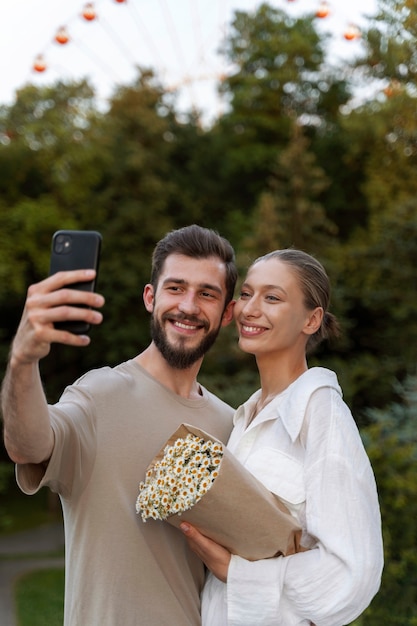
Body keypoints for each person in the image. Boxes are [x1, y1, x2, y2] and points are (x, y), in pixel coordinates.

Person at [1, 224, 238, 626]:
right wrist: (23, 361)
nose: (189, 306)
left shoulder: (233, 425)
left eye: (207, 294)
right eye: (175, 288)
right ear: (151, 297)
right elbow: (28, 446)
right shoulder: (99, 395)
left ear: (227, 312)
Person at [181, 249, 384, 626]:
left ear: (312, 319)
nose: (250, 309)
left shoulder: (321, 413)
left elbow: (352, 573)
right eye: (246, 294)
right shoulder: (242, 420)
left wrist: (239, 574)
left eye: (272, 298)